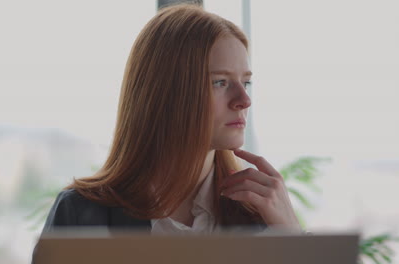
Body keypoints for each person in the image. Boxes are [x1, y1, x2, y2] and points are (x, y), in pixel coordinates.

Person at [33, 3, 303, 260]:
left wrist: (294, 238)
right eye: (220, 82)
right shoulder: (81, 214)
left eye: (246, 82)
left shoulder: (261, 216)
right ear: (166, 92)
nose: (244, 99)